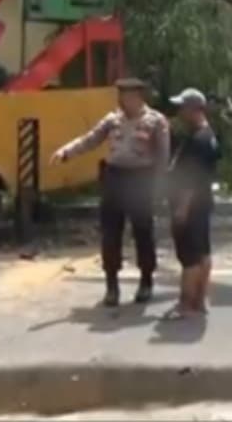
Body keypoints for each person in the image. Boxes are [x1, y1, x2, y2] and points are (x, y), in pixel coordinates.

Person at [50, 77, 169, 307]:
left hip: (141, 180)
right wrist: (66, 152)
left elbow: (163, 159)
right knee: (110, 233)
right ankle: (111, 286)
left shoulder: (156, 121)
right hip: (115, 178)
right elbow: (90, 140)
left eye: (126, 95)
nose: (122, 99)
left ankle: (146, 281)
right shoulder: (112, 120)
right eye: (120, 95)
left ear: (138, 96)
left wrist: (160, 190)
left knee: (143, 233)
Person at [163, 87, 221, 320]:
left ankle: (186, 304)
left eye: (182, 107)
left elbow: (191, 180)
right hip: (202, 202)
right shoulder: (207, 136)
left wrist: (181, 209)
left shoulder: (198, 140)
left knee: (189, 257)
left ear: (194, 109)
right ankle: (201, 299)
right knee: (203, 252)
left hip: (191, 204)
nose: (179, 111)